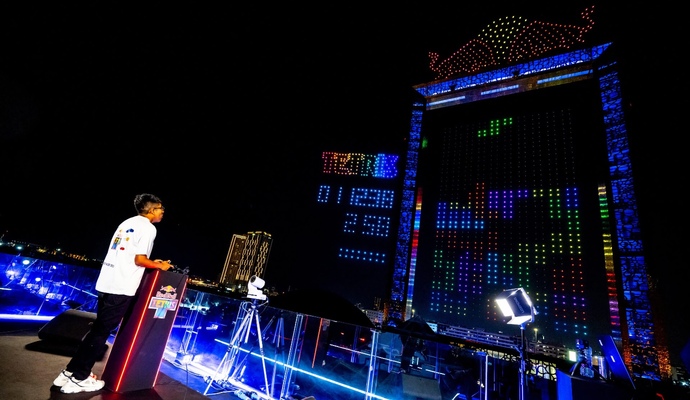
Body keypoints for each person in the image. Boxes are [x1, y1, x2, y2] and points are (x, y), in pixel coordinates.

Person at [52, 193, 174, 393]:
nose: (163, 212)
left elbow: (128, 254)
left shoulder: (127, 222)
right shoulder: (148, 228)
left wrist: (153, 262)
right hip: (121, 287)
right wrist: (161, 266)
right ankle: (79, 378)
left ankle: (69, 372)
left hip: (107, 282)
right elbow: (139, 260)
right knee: (100, 333)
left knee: (97, 331)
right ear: (152, 210)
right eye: (160, 208)